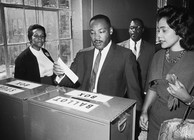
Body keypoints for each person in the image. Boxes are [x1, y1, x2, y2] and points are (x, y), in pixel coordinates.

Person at [54, 14, 143, 111]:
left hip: (109, 110)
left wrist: (135, 116)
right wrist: (61, 74)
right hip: (82, 107)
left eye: (101, 32)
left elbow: (134, 91)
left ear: (110, 31)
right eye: (92, 33)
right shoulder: (82, 55)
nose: (96, 37)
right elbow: (71, 81)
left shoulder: (125, 55)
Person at [139, 5, 194, 140]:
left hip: (181, 129)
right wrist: (145, 111)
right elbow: (153, 87)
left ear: (180, 30)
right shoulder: (158, 55)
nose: (158, 35)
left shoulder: (192, 58)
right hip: (155, 124)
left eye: (164, 30)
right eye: (158, 30)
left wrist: (187, 99)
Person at [117, 18, 156, 97]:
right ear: (128, 30)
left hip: (142, 92)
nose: (134, 31)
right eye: (132, 28)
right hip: (123, 91)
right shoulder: (119, 47)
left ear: (143, 30)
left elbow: (151, 71)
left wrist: (146, 91)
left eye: (138, 28)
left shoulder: (151, 48)